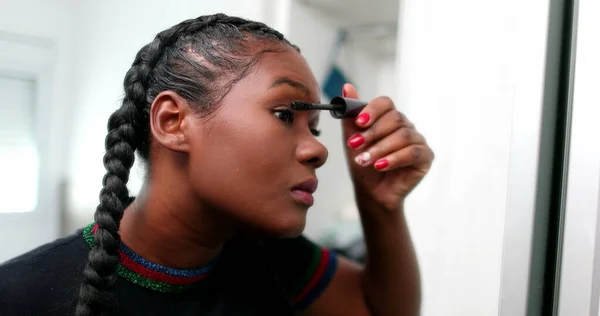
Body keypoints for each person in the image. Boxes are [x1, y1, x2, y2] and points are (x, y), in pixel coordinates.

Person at [0, 13, 433, 316]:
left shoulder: (273, 256)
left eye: (315, 129)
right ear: (173, 122)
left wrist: (381, 206)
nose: (317, 151)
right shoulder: (19, 295)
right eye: (286, 115)